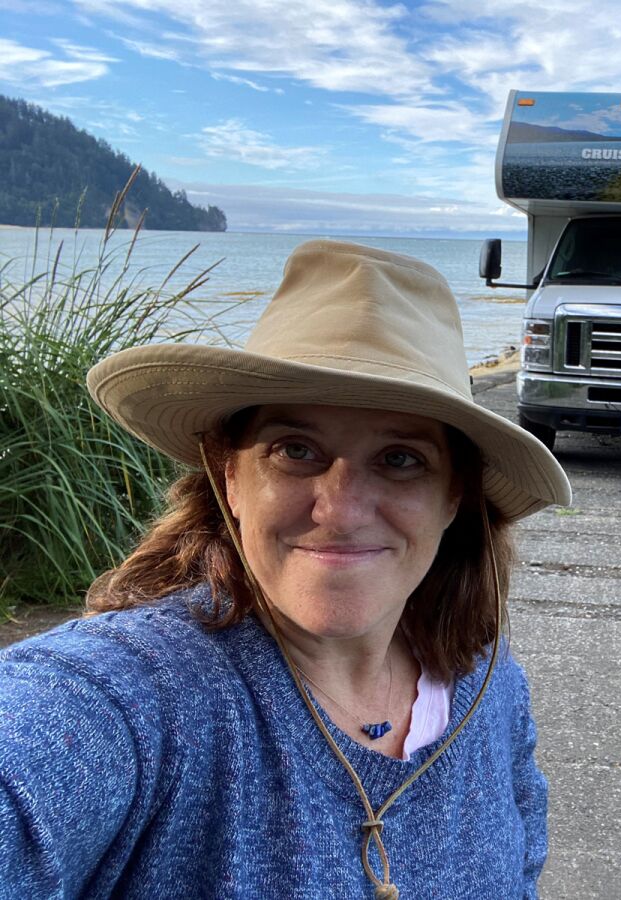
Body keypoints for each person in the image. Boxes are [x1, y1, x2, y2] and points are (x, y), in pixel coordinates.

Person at [0, 240, 571, 898]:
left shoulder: (489, 690)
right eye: (296, 450)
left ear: (455, 497)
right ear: (228, 476)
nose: (342, 509)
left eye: (400, 459)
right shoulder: (128, 695)